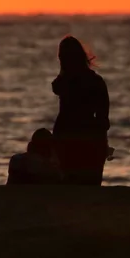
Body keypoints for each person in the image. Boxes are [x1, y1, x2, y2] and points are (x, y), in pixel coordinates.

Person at [52, 36, 110, 185]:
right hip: (88, 135)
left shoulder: (65, 81)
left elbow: (56, 86)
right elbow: (103, 118)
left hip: (66, 135)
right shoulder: (95, 81)